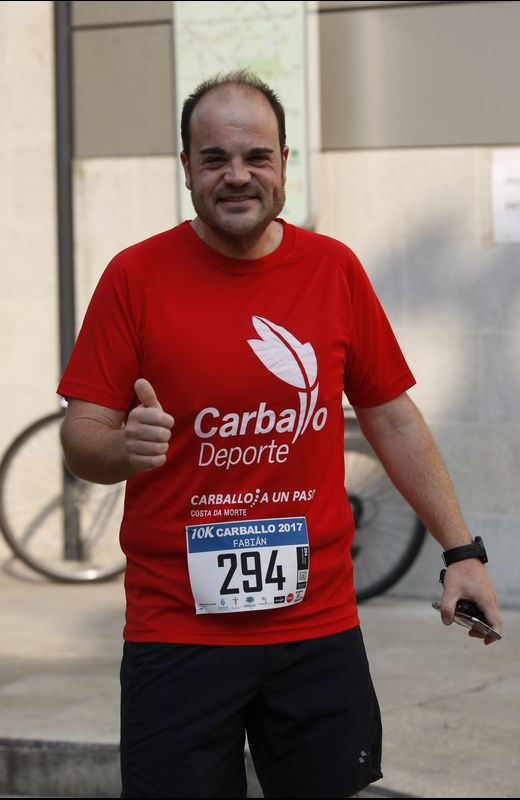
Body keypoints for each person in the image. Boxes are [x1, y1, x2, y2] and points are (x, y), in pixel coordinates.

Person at [58, 70, 502, 799]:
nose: (237, 175)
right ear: (186, 168)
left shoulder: (334, 270)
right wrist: (119, 448)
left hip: (317, 626)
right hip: (178, 629)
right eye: (215, 159)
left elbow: (392, 417)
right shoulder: (134, 277)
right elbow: (82, 436)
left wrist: (462, 552)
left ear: (285, 162)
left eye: (256, 156)